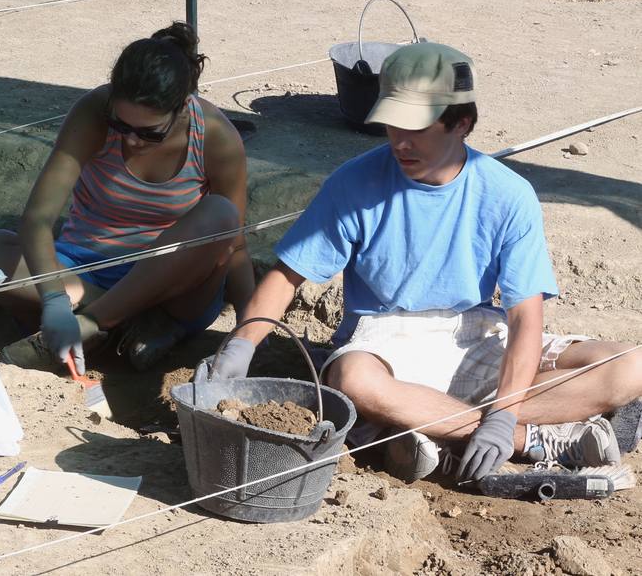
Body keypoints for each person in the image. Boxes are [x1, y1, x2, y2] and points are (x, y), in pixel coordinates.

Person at [209, 42, 642, 483]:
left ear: (463, 123)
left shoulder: (507, 195)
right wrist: (242, 344)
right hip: (385, 340)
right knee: (353, 379)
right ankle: (533, 440)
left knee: (632, 366)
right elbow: (287, 275)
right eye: (393, 125)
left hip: (475, 334)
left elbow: (525, 317)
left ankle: (437, 428)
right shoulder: (355, 183)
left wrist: (505, 410)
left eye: (416, 128)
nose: (400, 141)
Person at [0, 22, 253, 373]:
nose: (132, 141)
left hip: (173, 288)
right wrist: (53, 301)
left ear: (183, 106)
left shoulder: (215, 136)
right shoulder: (93, 111)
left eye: (149, 133)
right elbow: (37, 219)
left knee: (220, 216)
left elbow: (235, 245)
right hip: (83, 272)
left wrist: (247, 337)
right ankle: (128, 325)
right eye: (121, 126)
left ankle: (94, 325)